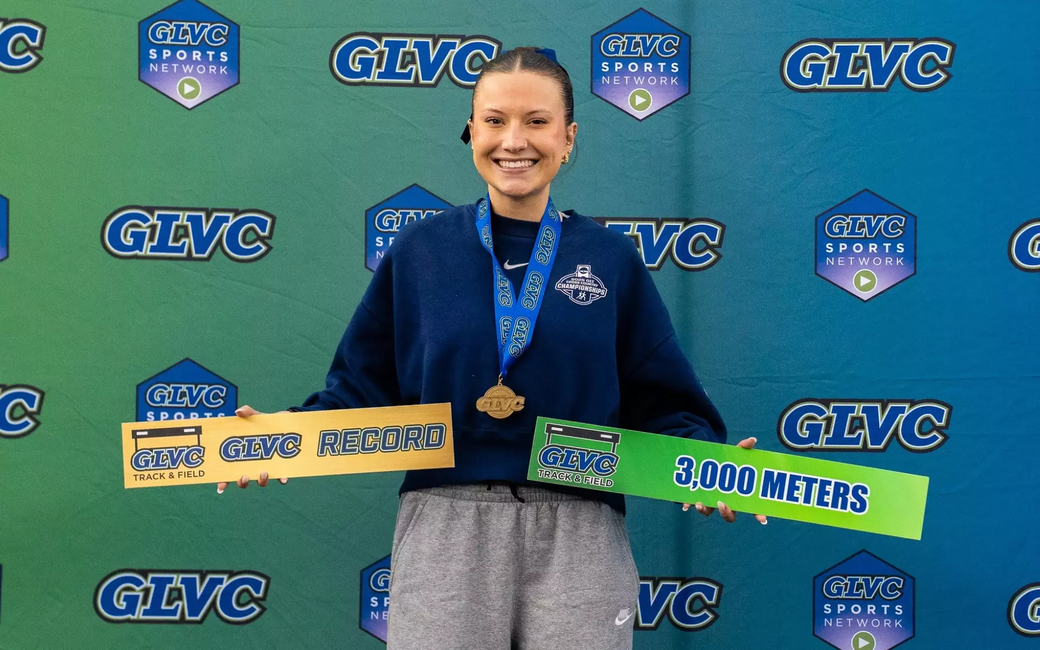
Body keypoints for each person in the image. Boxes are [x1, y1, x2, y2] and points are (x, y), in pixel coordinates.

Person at [219, 47, 763, 650]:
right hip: (447, 526)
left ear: (568, 136)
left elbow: (661, 403)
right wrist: (284, 437)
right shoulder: (421, 253)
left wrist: (710, 468)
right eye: (496, 120)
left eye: (537, 121)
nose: (515, 141)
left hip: (579, 529)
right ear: (471, 129)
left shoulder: (610, 261)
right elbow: (360, 392)